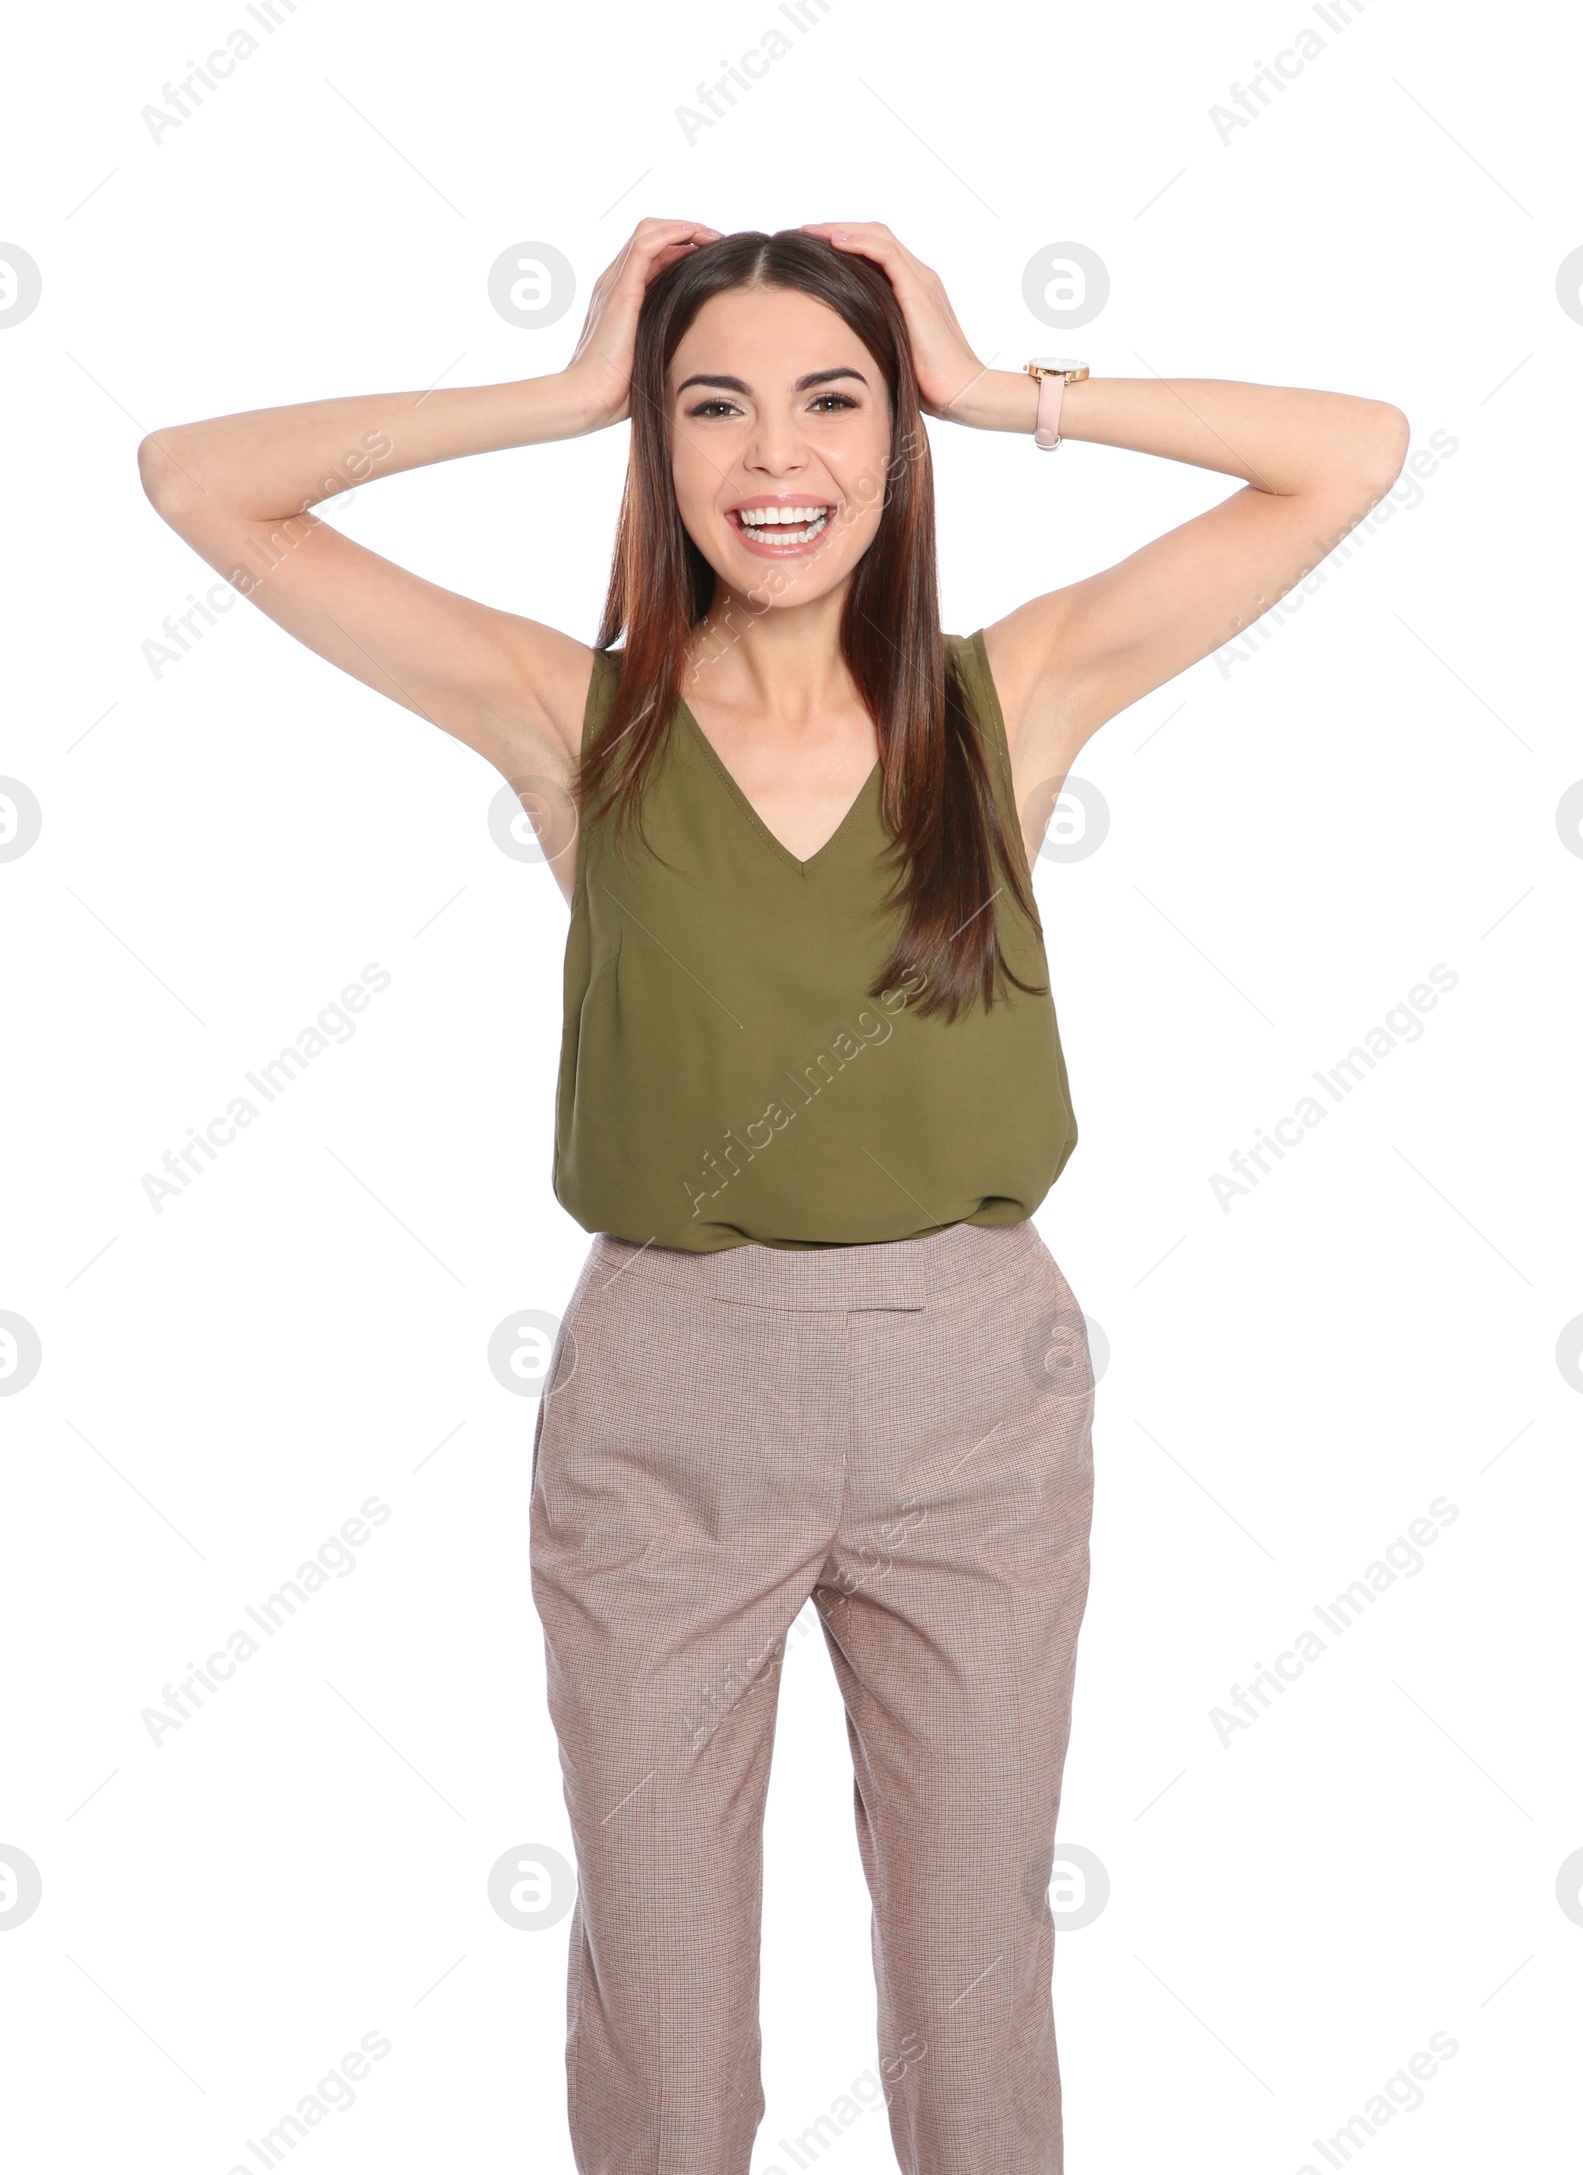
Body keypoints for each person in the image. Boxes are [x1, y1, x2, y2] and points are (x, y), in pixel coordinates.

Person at [139, 217, 1408, 2174]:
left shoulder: (1013, 691)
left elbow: (1353, 447)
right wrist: (563, 387)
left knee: (971, 2006)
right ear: (656, 451)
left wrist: (998, 385)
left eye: (830, 400)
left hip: (973, 1388)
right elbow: (198, 481)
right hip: (669, 1403)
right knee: (661, 2041)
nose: (771, 455)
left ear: (893, 443)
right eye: (707, 407)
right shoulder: (573, 715)